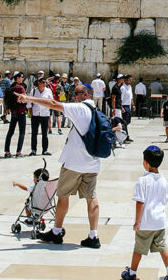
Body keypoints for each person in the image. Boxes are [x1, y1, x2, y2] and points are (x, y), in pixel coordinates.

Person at [17, 83, 103, 249]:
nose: (74, 97)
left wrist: (28, 98)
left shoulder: (81, 109)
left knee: (63, 196)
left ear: (86, 95)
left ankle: (56, 232)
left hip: (74, 164)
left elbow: (54, 104)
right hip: (92, 163)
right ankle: (93, 235)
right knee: (92, 198)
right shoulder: (96, 111)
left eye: (77, 94)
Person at [122, 146, 168, 280]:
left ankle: (132, 273)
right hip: (160, 221)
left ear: (146, 163)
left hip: (146, 222)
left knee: (139, 248)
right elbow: (165, 200)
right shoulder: (163, 180)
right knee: (162, 246)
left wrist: (137, 221)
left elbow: (140, 202)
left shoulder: (142, 181)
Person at [2, 72, 27, 157]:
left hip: (13, 112)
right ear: (17, 78)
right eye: (22, 77)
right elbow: (24, 98)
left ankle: (7, 151)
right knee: (22, 132)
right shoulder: (20, 87)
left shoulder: (10, 87)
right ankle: (18, 152)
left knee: (10, 132)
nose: (22, 79)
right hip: (21, 111)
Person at [29, 77, 54, 156]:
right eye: (43, 82)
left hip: (45, 114)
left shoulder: (48, 91)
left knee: (45, 134)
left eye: (45, 82)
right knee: (34, 134)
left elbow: (51, 102)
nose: (44, 84)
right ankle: (33, 150)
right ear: (39, 83)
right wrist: (31, 114)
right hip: (36, 114)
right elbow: (29, 103)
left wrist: (49, 113)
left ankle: (45, 150)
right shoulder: (33, 91)